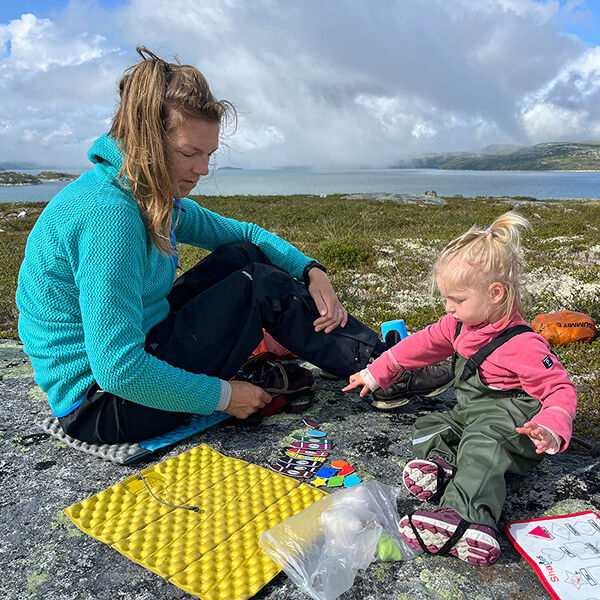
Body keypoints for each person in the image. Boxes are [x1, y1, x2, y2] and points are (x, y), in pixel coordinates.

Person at [16, 47, 451, 445]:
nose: (203, 168)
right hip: (102, 405)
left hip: (137, 357)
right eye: (190, 153)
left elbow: (246, 235)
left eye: (209, 153)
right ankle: (385, 371)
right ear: (146, 139)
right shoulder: (110, 216)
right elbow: (118, 370)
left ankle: (380, 362)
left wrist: (311, 270)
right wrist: (225, 396)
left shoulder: (145, 194)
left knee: (243, 256)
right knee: (258, 285)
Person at [343, 211, 577, 566]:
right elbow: (418, 345)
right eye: (446, 299)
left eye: (457, 300)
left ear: (495, 294)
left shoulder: (523, 344)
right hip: (473, 415)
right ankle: (446, 470)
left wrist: (550, 426)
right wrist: (376, 373)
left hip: (517, 427)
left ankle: (468, 520)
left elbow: (559, 388)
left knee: (482, 443)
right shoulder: (459, 325)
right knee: (431, 425)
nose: (448, 308)